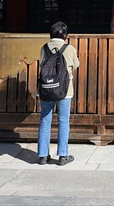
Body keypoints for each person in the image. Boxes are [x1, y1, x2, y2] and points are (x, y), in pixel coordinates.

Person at [37, 21, 79, 166]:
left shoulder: (44, 48)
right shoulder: (70, 49)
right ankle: (62, 155)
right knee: (63, 121)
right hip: (64, 91)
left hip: (46, 89)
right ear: (65, 35)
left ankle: (43, 155)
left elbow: (42, 65)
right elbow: (76, 64)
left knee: (45, 120)